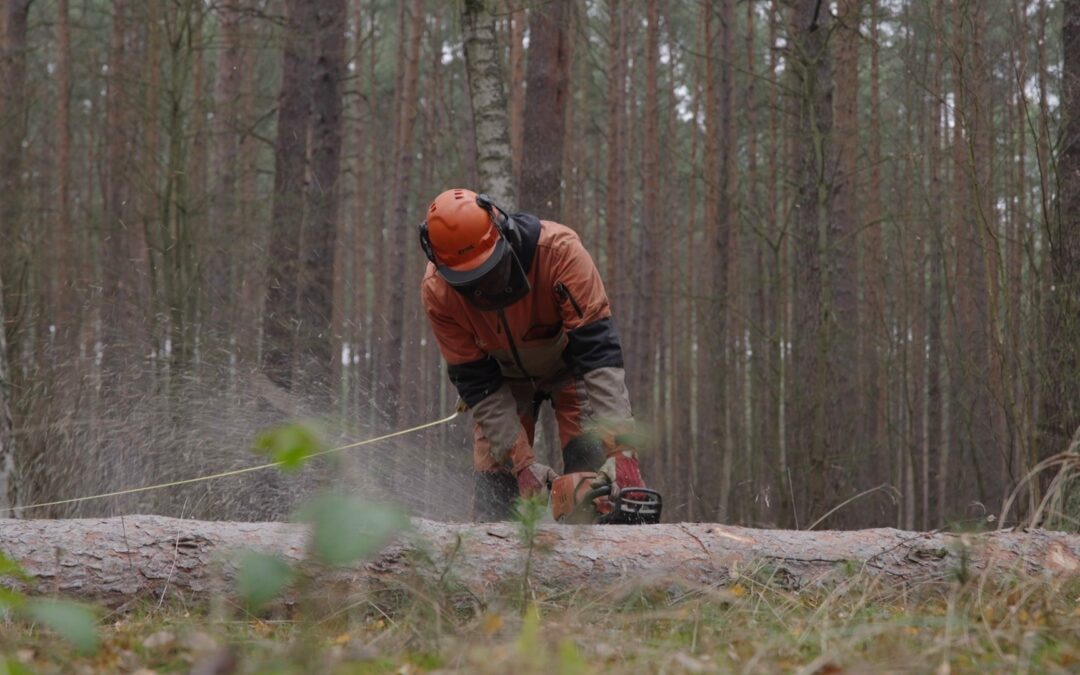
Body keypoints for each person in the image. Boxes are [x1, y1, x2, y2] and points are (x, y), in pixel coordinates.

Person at [418, 188, 648, 520]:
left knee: (592, 482)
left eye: (490, 271)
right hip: (501, 383)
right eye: (470, 280)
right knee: (496, 495)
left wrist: (622, 450)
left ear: (503, 232)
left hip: (570, 369)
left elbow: (599, 357)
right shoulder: (437, 291)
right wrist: (522, 465)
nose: (486, 288)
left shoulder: (560, 252)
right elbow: (476, 381)